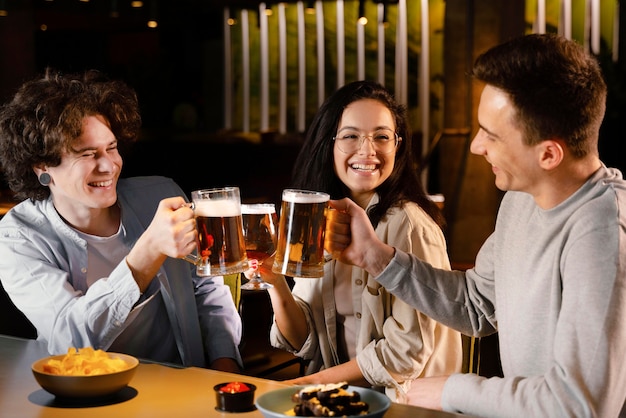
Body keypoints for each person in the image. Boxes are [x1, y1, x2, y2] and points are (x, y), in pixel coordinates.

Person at [324, 34, 626, 417]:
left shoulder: (602, 235)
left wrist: (453, 390)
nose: (476, 146)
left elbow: (580, 406)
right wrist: (377, 258)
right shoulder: (522, 196)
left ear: (548, 153)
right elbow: (476, 305)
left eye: (492, 135)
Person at [0, 69, 242, 372]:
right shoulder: (18, 237)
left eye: (111, 148)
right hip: (85, 400)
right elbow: (69, 338)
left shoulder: (161, 194)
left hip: (182, 388)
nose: (109, 166)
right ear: (41, 166)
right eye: (87, 153)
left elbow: (206, 289)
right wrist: (146, 253)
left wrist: (225, 361)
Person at [255, 80, 463, 401]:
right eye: (351, 136)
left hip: (409, 406)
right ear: (329, 143)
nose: (367, 151)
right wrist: (274, 281)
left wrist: (309, 384)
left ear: (398, 146)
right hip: (342, 401)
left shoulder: (411, 225)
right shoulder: (320, 218)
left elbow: (404, 354)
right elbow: (303, 338)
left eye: (381, 137)